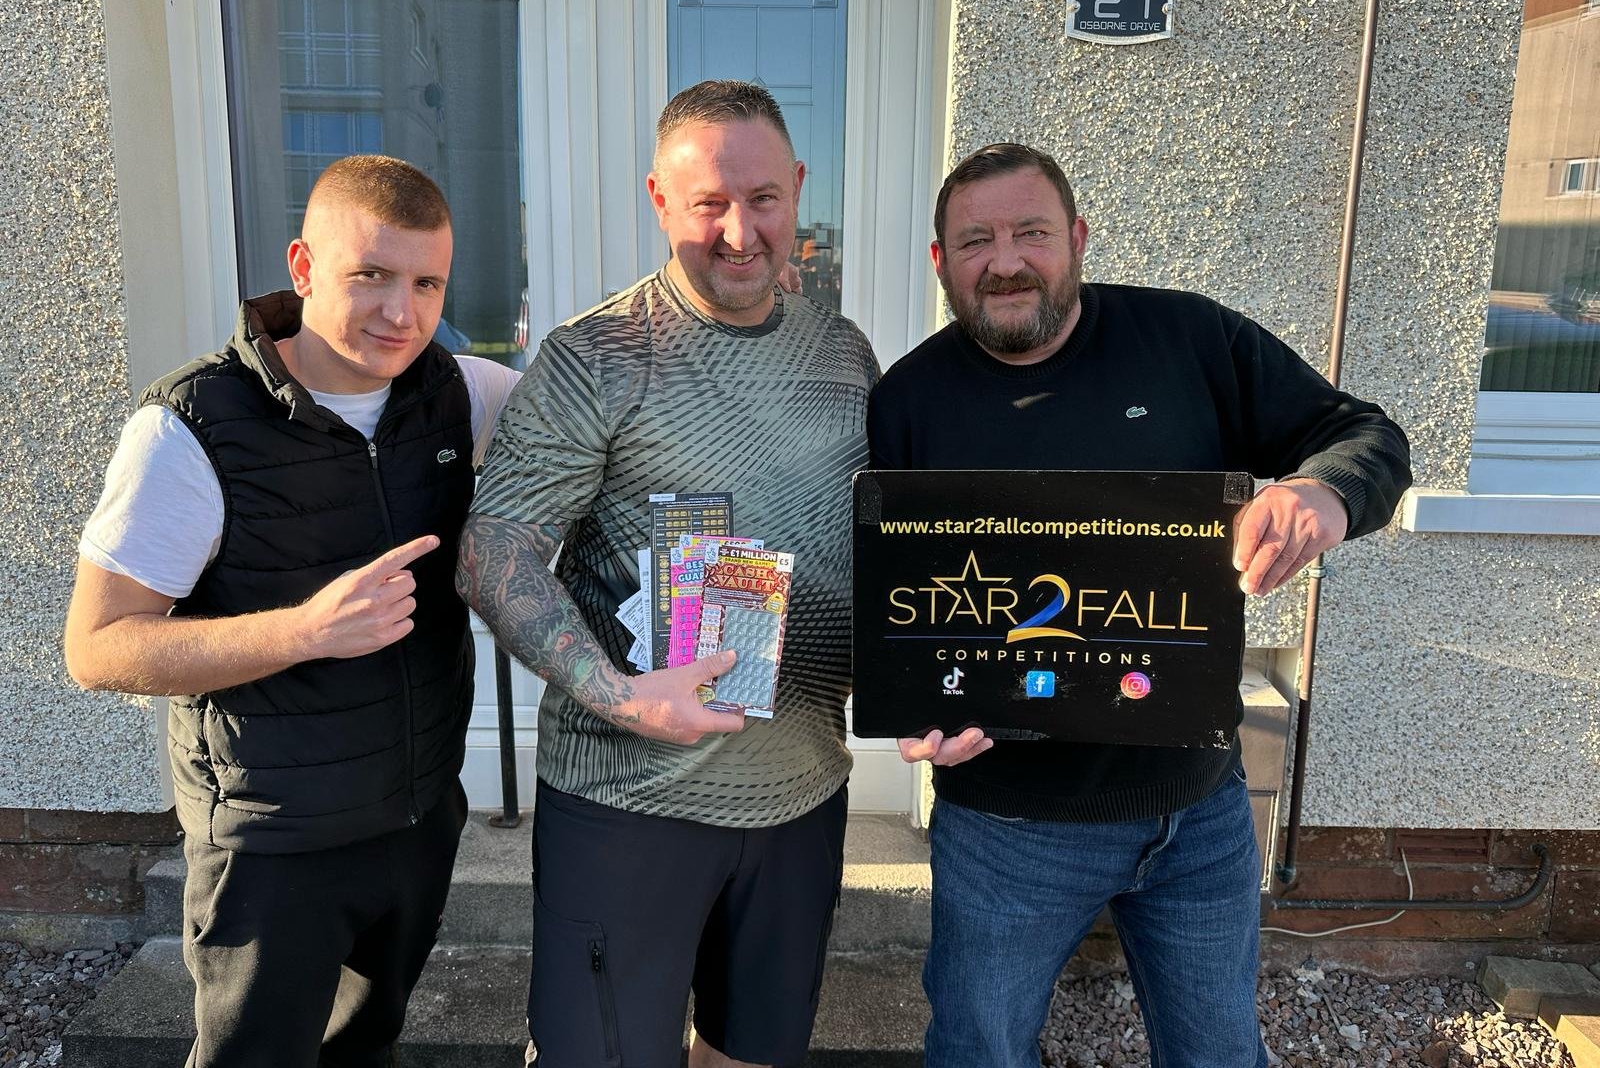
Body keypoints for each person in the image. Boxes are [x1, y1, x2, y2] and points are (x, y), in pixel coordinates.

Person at [868, 143, 1412, 1068]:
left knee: (1219, 1055)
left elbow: (1365, 434)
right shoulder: (907, 401)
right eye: (975, 241)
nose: (1006, 261)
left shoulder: (1190, 341)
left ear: (1078, 239)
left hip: (1199, 809)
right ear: (940, 261)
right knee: (977, 1052)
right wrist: (913, 709)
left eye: (1032, 233)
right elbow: (899, 600)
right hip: (1008, 827)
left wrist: (1322, 491)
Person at [456, 79, 879, 1068]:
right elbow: (493, 549)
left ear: (798, 185)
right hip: (626, 801)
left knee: (751, 1054)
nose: (739, 232)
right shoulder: (595, 357)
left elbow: (876, 546)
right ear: (659, 199)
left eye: (763, 199)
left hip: (801, 795)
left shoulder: (844, 355)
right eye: (707, 204)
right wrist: (619, 695)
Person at [64, 155, 520, 1068]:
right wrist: (304, 631)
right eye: (371, 275)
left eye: (427, 284)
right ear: (304, 269)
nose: (402, 312)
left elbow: (608, 420)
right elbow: (97, 647)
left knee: (366, 1050)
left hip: (418, 819)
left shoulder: (462, 394)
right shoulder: (190, 426)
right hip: (272, 843)